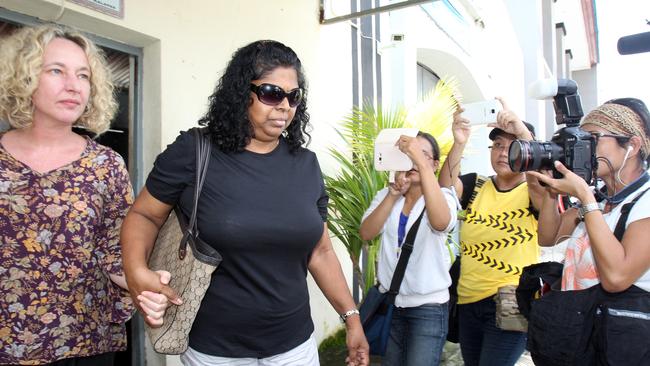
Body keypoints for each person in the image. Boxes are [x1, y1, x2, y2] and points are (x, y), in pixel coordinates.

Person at [120, 40, 369, 366]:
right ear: (241, 93)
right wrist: (136, 270)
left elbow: (320, 251)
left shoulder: (306, 165)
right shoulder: (195, 151)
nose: (284, 106)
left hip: (294, 346)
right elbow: (144, 215)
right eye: (271, 92)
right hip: (215, 350)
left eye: (294, 96)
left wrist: (351, 318)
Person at [0, 25, 134, 365]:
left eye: (83, 75)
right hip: (7, 339)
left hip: (84, 342)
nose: (73, 86)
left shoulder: (106, 164)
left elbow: (116, 251)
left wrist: (150, 281)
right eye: (56, 70)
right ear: (25, 76)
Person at [528, 98, 650, 364]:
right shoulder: (602, 200)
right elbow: (548, 237)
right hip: (582, 337)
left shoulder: (643, 201)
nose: (585, 148)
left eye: (593, 138)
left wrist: (585, 198)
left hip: (623, 346)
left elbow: (617, 277)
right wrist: (552, 187)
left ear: (632, 145)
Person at [438, 98, 543, 366]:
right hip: (468, 298)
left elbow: (543, 178)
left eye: (512, 147)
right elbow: (444, 190)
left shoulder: (533, 190)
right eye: (497, 145)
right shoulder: (475, 185)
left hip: (511, 300)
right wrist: (459, 141)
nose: (502, 153)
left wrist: (523, 133)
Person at [359, 132, 458, 365]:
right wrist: (393, 196)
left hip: (428, 309)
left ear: (434, 164)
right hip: (391, 303)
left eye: (422, 155)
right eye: (409, 154)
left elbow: (440, 222)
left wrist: (421, 164)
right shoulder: (386, 195)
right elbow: (366, 233)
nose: (413, 161)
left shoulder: (443, 196)